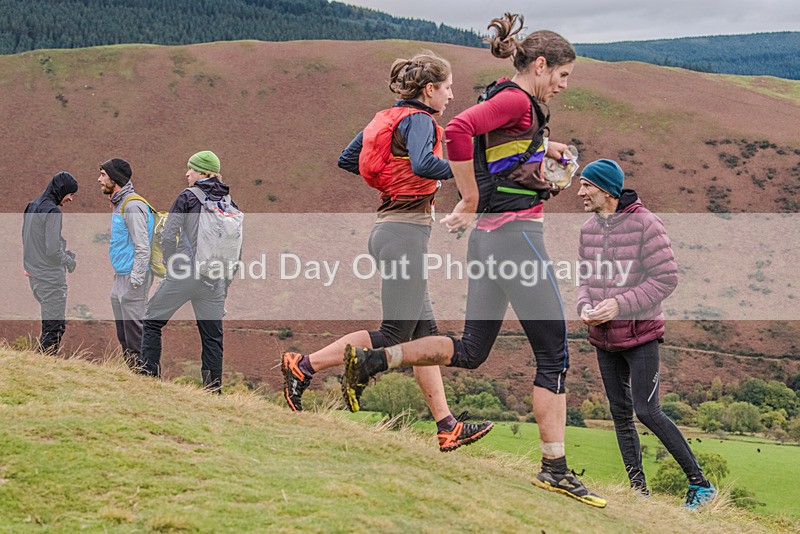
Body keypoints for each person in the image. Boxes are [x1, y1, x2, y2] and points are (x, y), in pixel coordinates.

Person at [341, 14, 605, 508]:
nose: (565, 85)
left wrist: (543, 150)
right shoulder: (516, 99)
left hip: (487, 241)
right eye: (563, 75)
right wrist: (468, 197)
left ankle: (375, 360)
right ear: (541, 65)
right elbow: (460, 129)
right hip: (516, 239)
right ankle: (554, 470)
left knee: (472, 350)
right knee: (554, 356)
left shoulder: (502, 95)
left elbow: (489, 153)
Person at [280, 51, 492, 452]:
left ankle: (447, 426)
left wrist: (394, 178)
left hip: (389, 229)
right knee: (394, 333)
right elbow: (424, 164)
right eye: (448, 88)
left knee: (424, 336)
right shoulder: (420, 120)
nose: (451, 95)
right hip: (404, 235)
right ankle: (303, 366)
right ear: (430, 89)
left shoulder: (387, 118)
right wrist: (470, 170)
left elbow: (349, 159)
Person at [576, 159, 717, 510]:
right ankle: (638, 491)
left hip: (641, 336)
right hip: (603, 338)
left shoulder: (646, 223)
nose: (580, 192)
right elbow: (584, 280)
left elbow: (666, 279)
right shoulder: (588, 230)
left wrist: (619, 305)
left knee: (647, 411)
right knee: (620, 414)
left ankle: (701, 485)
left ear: (606, 190)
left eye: (586, 185)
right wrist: (584, 306)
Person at [139, 151, 236, 393]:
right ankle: (213, 391)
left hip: (184, 274)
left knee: (152, 321)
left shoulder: (187, 197)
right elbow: (236, 247)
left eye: (191, 169)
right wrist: (225, 282)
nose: (187, 173)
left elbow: (168, 234)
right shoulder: (228, 202)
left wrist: (172, 264)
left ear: (202, 172)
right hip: (214, 278)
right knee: (212, 338)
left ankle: (148, 378)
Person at [98, 158, 154, 369]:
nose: (99, 179)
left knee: (135, 334)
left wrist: (136, 279)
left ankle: (145, 376)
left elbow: (142, 246)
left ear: (115, 178)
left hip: (133, 276)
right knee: (124, 334)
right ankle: (132, 374)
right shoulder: (119, 204)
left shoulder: (132, 206)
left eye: (103, 175)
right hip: (121, 275)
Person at [22, 171, 79, 354]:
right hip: (51, 279)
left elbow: (32, 241)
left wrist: (62, 252)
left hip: (35, 276)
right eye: (70, 194)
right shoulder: (53, 211)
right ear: (61, 190)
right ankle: (44, 364)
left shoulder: (32, 206)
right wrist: (68, 260)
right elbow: (53, 250)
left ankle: (43, 362)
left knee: (50, 325)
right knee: (54, 328)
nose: (71, 198)